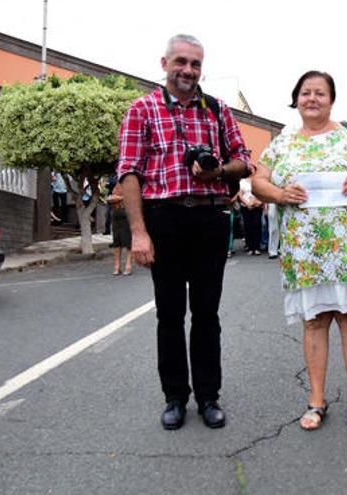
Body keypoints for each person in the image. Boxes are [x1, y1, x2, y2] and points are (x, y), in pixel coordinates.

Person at [117, 34, 252, 431]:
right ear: (164, 63)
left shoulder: (218, 109)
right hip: (165, 220)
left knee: (207, 314)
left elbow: (244, 161)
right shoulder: (142, 109)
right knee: (170, 314)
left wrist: (218, 171)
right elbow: (128, 172)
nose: (188, 70)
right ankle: (175, 397)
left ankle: (209, 396)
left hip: (210, 219)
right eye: (181, 62)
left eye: (195, 64)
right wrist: (139, 233)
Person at [252, 70, 347, 430]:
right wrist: (281, 194)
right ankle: (316, 400)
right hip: (304, 249)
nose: (312, 98)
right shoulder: (282, 142)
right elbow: (258, 181)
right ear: (296, 99)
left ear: (332, 100)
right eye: (305, 93)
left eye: (320, 93)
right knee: (314, 322)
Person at [107, 179, 133, 275]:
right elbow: (110, 198)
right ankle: (117, 266)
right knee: (116, 242)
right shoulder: (116, 185)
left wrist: (120, 198)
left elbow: (132, 198)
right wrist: (121, 197)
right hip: (116, 215)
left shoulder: (130, 184)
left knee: (128, 241)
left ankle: (128, 265)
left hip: (126, 214)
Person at [237, 177, 263, 255]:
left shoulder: (258, 180)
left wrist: (253, 202)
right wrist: (247, 203)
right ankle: (250, 247)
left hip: (257, 205)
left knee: (257, 225)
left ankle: (257, 247)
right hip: (245, 206)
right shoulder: (242, 181)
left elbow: (260, 193)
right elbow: (240, 195)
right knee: (248, 226)